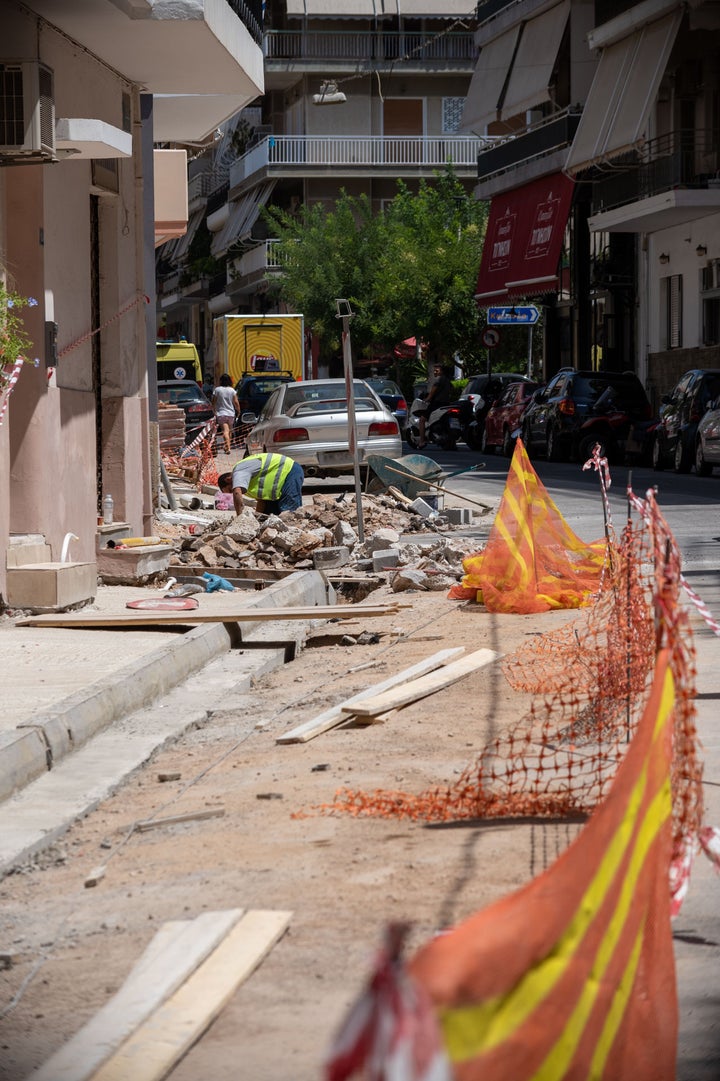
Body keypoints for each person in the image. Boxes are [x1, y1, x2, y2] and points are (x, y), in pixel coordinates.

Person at [218, 451, 304, 515]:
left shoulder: (239, 470)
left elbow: (237, 492)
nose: (232, 492)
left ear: (228, 479)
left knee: (289, 511)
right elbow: (261, 502)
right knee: (269, 514)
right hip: (280, 482)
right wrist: (256, 518)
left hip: (289, 470)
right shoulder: (247, 484)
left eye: (230, 489)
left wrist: (240, 518)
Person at [418, 364, 453, 448]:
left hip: (436, 404)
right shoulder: (448, 381)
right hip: (446, 404)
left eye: (437, 371)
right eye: (434, 370)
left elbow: (431, 395)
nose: (435, 372)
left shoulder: (438, 379)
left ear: (442, 372)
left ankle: (422, 441)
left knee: (422, 420)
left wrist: (425, 399)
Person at [212, 374, 240, 455]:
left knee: (225, 431)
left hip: (221, 413)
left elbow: (213, 401)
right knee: (229, 431)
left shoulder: (217, 390)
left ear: (221, 381)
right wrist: (238, 411)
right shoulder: (232, 390)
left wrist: (213, 410)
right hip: (231, 414)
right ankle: (228, 446)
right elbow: (236, 402)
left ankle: (227, 447)